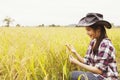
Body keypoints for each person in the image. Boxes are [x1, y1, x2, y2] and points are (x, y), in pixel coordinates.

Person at [66, 13, 118, 80]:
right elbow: (86, 61)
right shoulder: (93, 42)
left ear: (98, 30)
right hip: (97, 76)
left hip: (106, 78)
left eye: (89, 30)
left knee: (73, 75)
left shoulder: (105, 44)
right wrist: (75, 53)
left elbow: (99, 70)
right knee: (71, 75)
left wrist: (77, 63)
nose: (87, 33)